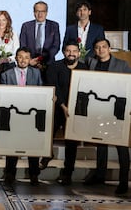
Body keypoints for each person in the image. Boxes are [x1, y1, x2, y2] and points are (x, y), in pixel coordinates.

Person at [83, 38, 131, 195]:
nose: (100, 50)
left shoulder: (122, 65)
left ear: (109, 49)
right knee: (100, 143)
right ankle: (100, 175)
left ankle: (123, 182)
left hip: (118, 110)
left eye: (104, 47)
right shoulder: (91, 62)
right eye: (97, 47)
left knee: (121, 146)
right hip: (99, 109)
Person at [41, 40, 87, 183]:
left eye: (74, 51)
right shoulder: (55, 66)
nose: (71, 54)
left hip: (75, 110)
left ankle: (68, 173)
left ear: (79, 53)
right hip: (57, 108)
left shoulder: (84, 68)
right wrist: (63, 106)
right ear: (63, 52)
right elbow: (54, 87)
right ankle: (47, 156)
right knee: (48, 134)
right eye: (68, 51)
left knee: (71, 143)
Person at [1, 47, 42, 186]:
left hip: (31, 115)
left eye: (26, 57)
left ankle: (34, 174)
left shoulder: (36, 73)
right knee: (12, 145)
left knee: (32, 145)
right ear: (16, 58)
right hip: (14, 115)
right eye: (20, 57)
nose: (23, 60)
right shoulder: (7, 74)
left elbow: (41, 92)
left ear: (30, 59)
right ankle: (10, 174)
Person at [19, 1, 60, 68]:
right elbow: (23, 45)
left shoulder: (54, 26)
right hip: (30, 63)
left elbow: (56, 46)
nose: (40, 14)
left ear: (46, 13)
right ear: (34, 13)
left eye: (42, 11)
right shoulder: (26, 26)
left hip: (48, 63)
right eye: (37, 11)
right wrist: (29, 59)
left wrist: (42, 59)